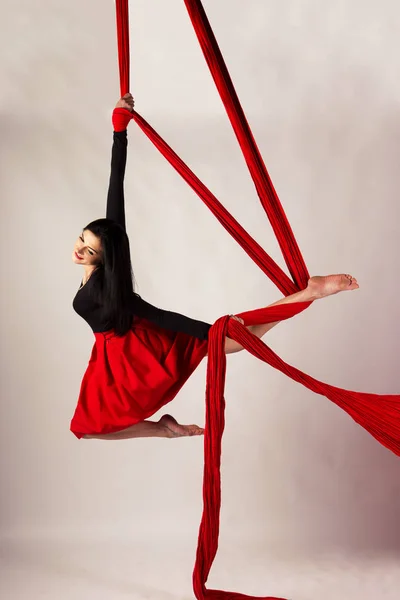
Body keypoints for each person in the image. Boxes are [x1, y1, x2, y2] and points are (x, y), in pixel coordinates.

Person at [70, 93, 359, 441]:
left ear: (104, 257)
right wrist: (120, 132)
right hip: (115, 354)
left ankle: (307, 293)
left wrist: (213, 329)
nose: (79, 250)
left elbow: (159, 315)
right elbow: (115, 192)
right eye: (82, 241)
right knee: (88, 429)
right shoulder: (107, 261)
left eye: (88, 250)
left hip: (130, 360)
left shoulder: (106, 288)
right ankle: (164, 427)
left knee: (227, 344)